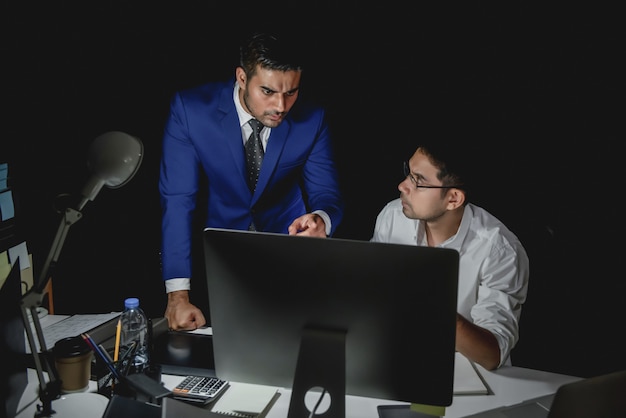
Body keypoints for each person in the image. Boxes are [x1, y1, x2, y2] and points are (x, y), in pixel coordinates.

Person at [159, 31, 344, 331]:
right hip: (220, 256)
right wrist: (178, 295)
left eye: (291, 92)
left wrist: (322, 220)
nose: (282, 106)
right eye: (268, 92)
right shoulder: (190, 111)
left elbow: (327, 194)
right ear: (242, 78)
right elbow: (177, 200)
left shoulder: (313, 118)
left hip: (290, 256)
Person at [370, 142, 528, 370]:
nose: (403, 186)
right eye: (408, 173)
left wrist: (434, 307)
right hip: (396, 357)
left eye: (418, 181)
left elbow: (492, 355)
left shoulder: (500, 250)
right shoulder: (392, 216)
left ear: (453, 198)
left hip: (468, 372)